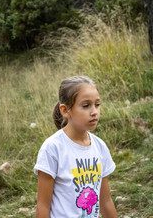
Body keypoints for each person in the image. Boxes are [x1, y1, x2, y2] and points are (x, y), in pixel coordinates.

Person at [34, 76, 117, 218]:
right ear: (65, 110)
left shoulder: (100, 147)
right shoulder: (53, 148)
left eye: (97, 105)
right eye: (86, 106)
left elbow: (106, 201)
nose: (94, 112)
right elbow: (43, 205)